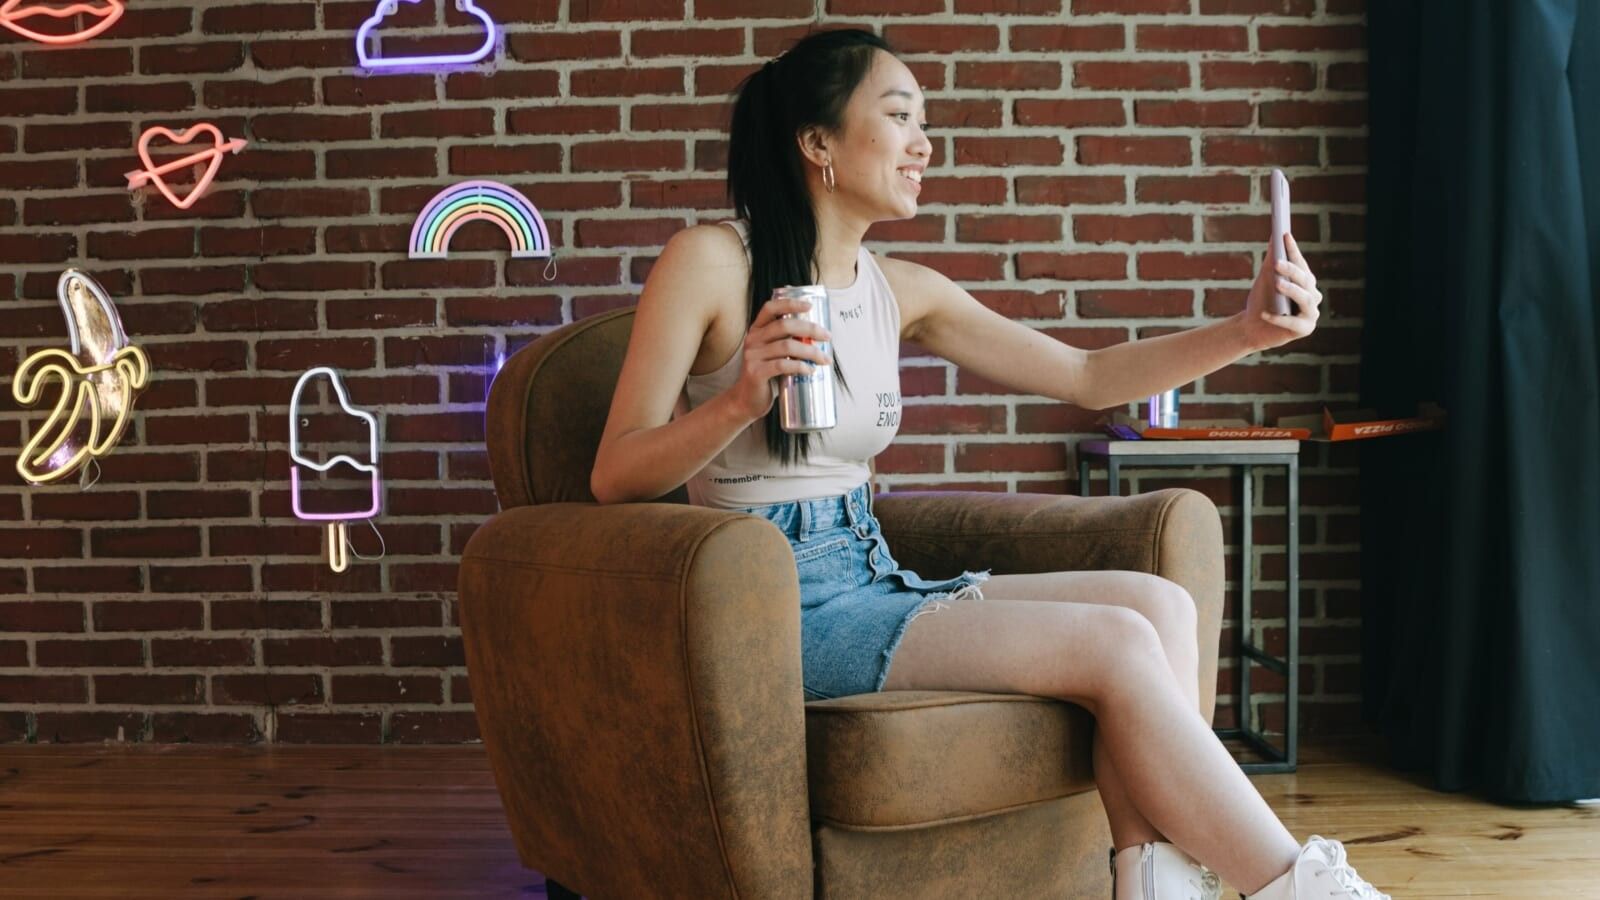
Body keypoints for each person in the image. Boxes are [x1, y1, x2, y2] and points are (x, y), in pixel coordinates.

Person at [590, 27, 1388, 900]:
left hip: (865, 570)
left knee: (1158, 603)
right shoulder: (708, 261)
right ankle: (1296, 887)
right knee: (1117, 640)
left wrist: (1247, 332)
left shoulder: (899, 288)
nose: (925, 143)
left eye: (924, 120)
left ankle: (1157, 883)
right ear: (817, 143)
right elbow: (615, 473)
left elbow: (1087, 376)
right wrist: (737, 401)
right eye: (898, 117)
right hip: (769, 602)